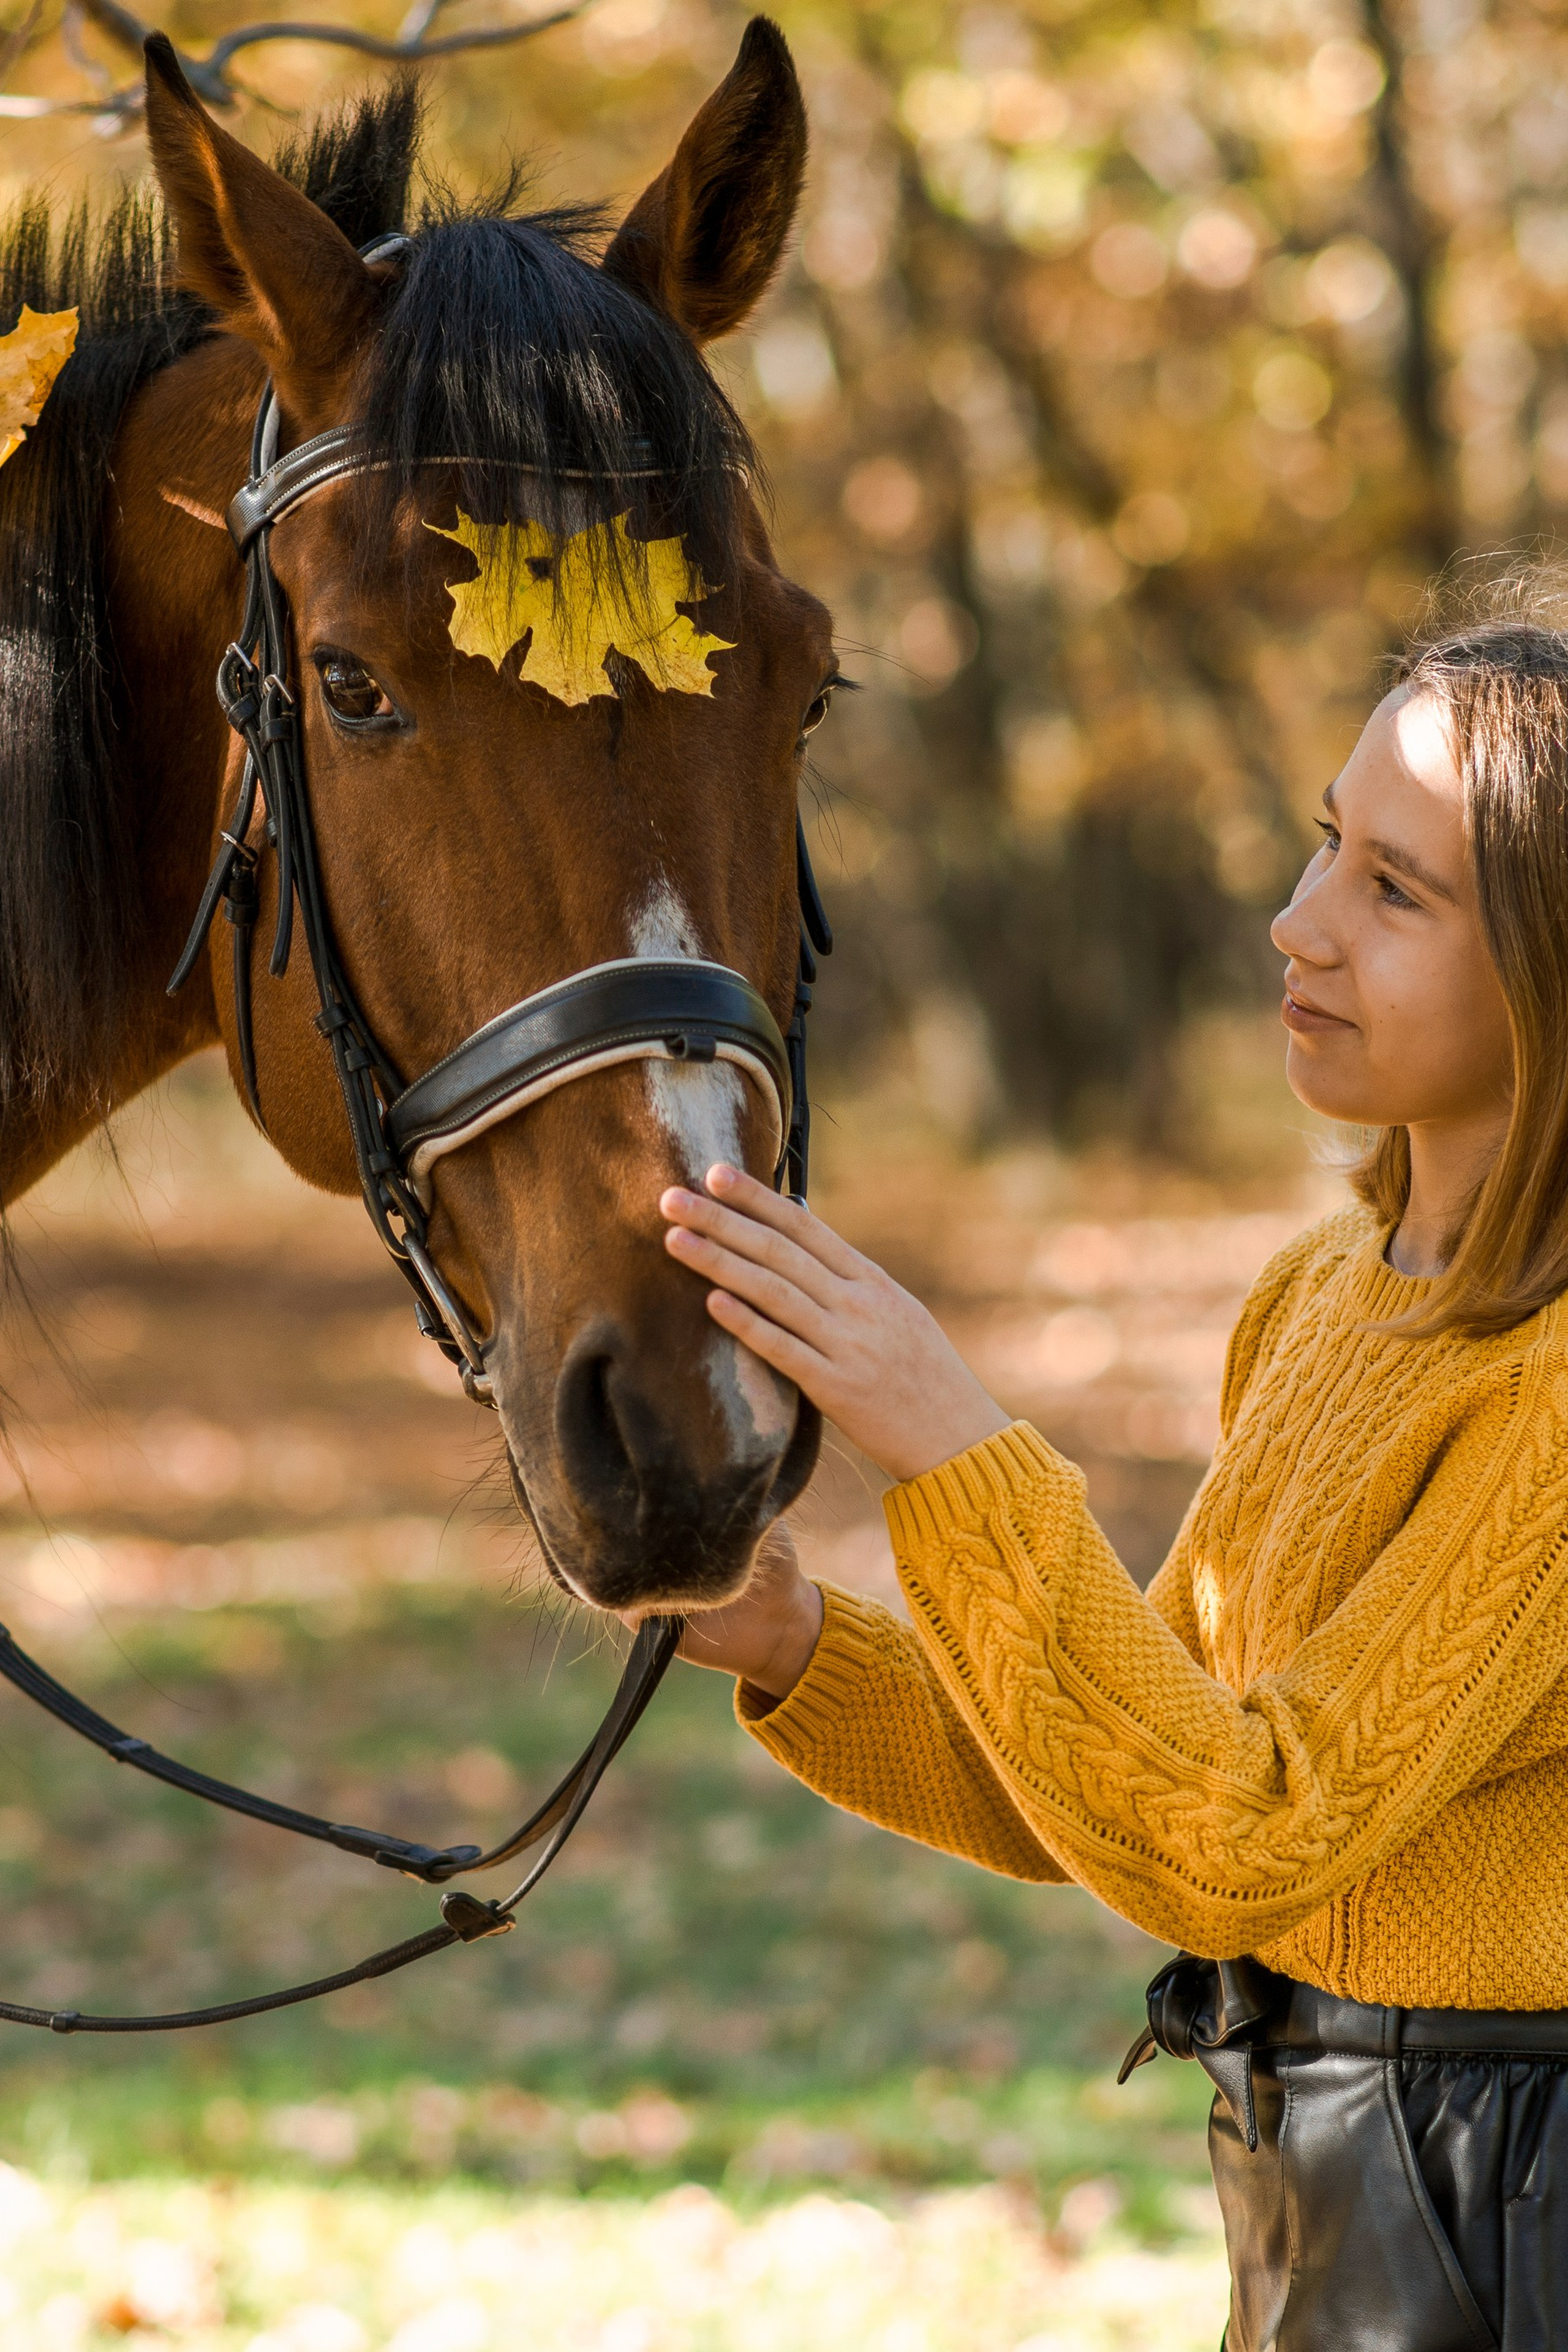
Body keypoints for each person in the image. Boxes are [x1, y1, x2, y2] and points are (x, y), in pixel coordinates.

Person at [652, 603, 1568, 2352]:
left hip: (1507, 2229)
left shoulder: (1554, 1393)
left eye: (1397, 890)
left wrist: (956, 1446)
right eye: (1325, 845)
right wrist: (792, 1641)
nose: (1296, 925)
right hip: (1321, 2202)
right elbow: (1111, 1779)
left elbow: (1240, 1837)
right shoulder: (1322, 1299)